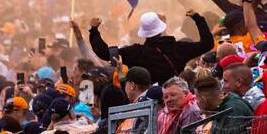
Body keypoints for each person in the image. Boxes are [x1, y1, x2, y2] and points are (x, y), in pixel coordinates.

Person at [77, 10, 213, 86]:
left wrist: (93, 30)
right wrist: (198, 19)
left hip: (147, 105)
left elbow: (104, 53)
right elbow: (207, 43)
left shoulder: (135, 53)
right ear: (161, 28)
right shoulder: (179, 48)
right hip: (176, 97)